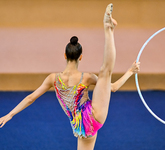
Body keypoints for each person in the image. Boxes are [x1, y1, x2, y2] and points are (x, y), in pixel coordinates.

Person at [0, 3, 140, 150]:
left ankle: (109, 29)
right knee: (105, 72)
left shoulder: (53, 79)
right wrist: (130, 72)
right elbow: (112, 88)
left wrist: (10, 114)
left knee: (105, 73)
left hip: (81, 127)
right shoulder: (86, 77)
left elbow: (30, 98)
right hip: (93, 113)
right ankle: (108, 30)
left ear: (65, 55)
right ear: (81, 57)